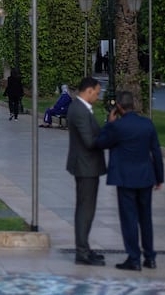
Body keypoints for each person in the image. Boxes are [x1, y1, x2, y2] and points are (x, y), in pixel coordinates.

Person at [94, 89, 165, 271]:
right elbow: (156, 151)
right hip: (145, 177)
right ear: (132, 105)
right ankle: (150, 257)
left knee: (129, 219)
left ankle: (134, 258)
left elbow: (101, 143)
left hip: (125, 179)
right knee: (145, 218)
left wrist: (109, 124)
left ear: (118, 107)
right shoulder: (147, 124)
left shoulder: (118, 127)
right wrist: (159, 177)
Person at [66, 76, 106, 266]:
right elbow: (90, 141)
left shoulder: (81, 109)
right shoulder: (80, 110)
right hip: (86, 166)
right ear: (89, 91)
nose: (97, 97)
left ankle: (85, 247)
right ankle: (81, 251)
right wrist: (109, 138)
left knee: (86, 209)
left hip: (87, 165)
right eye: (97, 93)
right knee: (85, 210)